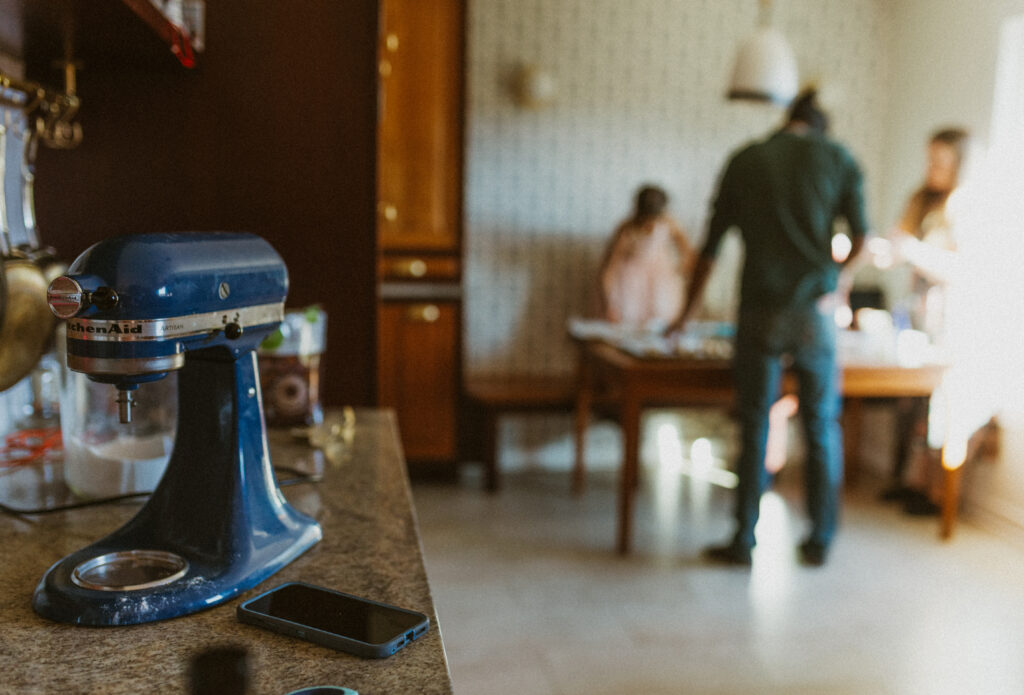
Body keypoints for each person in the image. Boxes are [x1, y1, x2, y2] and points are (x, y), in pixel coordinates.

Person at [665, 89, 868, 567]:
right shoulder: (839, 158)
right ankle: (820, 538)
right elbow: (864, 237)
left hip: (758, 310)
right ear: (820, 126)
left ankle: (743, 540)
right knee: (820, 425)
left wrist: (685, 314)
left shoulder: (747, 159)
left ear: (787, 120)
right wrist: (837, 285)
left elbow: (710, 248)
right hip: (815, 315)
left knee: (754, 421)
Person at [881, 127, 969, 514]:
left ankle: (934, 493)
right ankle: (908, 482)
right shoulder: (921, 200)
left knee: (936, 408)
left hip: (947, 320)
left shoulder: (964, 206)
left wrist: (914, 251)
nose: (931, 167)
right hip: (915, 312)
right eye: (929, 158)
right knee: (907, 404)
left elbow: (961, 269)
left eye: (940, 160)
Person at [598, 185, 695, 330]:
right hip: (628, 290)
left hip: (661, 290)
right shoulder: (626, 229)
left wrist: (679, 274)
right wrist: (608, 304)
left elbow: (688, 255)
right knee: (627, 330)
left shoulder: (669, 225)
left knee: (661, 330)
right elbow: (609, 267)